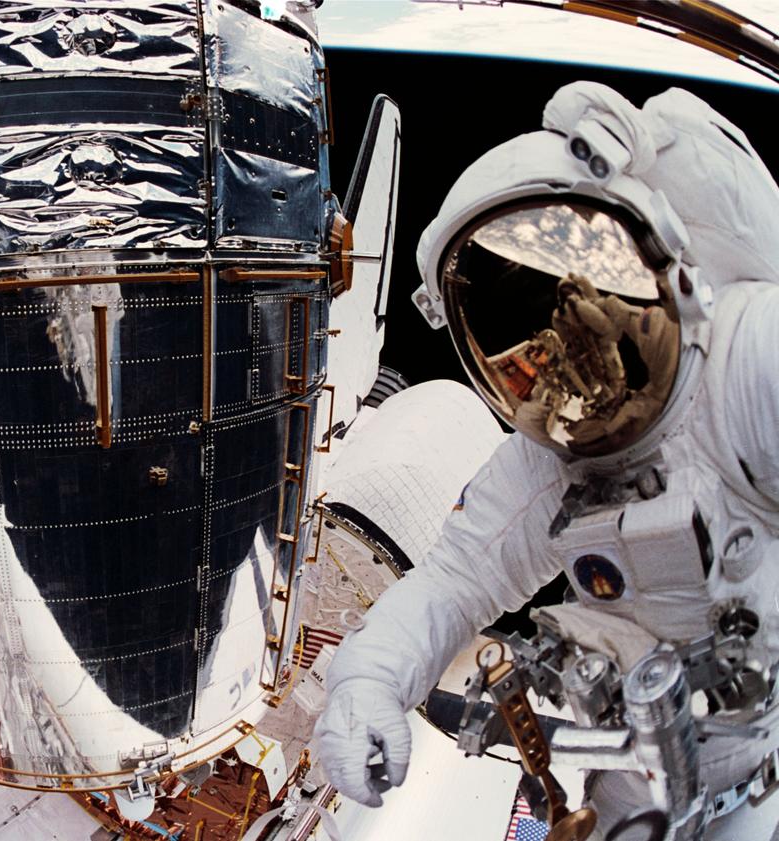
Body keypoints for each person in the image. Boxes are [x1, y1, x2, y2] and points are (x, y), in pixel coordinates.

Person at [314, 82, 779, 839]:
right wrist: (366, 679)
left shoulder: (746, 368)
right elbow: (453, 581)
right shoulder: (548, 466)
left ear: (663, 260)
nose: (565, 363)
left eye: (591, 299)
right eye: (531, 340)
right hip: (635, 791)